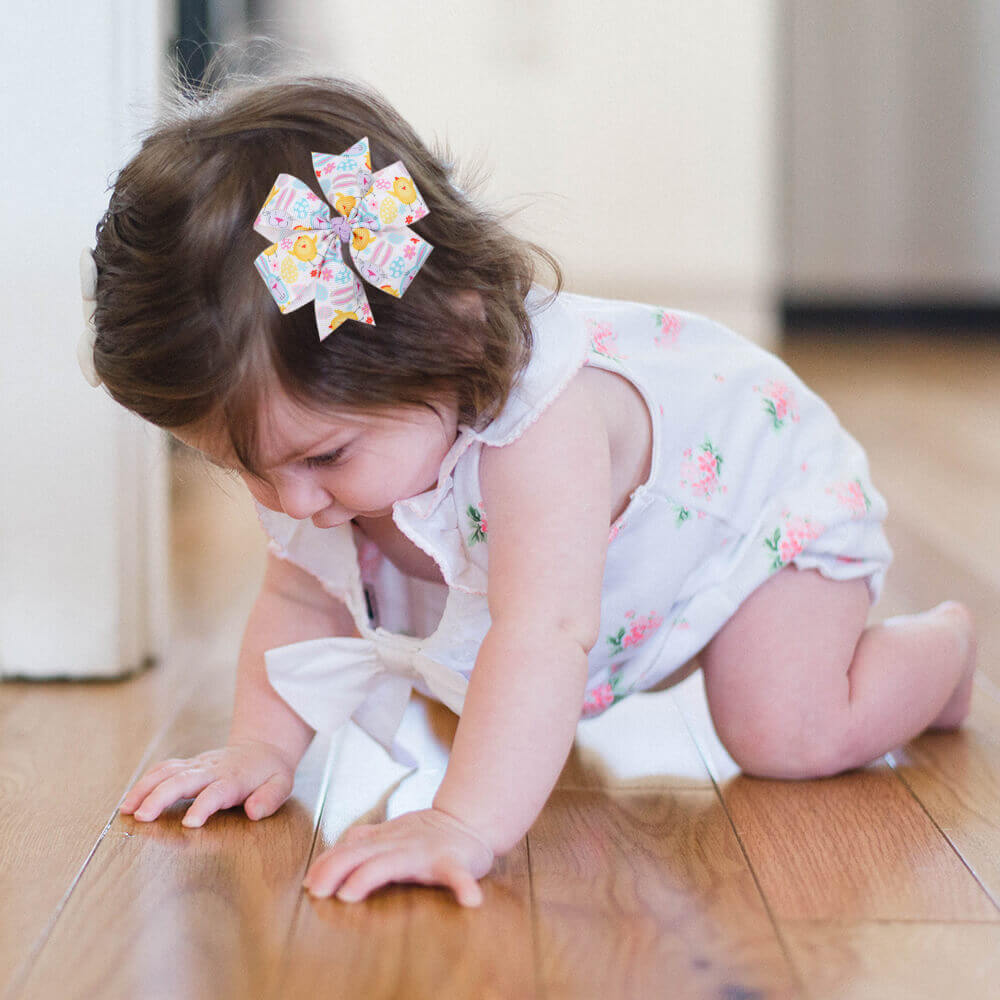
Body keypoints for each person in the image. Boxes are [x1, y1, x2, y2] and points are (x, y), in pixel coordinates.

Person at [85, 75, 976, 908]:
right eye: (244, 468)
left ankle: (940, 658)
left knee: (786, 733)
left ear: (453, 335)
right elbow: (301, 597)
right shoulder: (322, 449)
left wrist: (462, 821)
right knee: (451, 661)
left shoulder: (542, 432)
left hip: (753, 514)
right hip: (632, 561)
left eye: (323, 459)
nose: (288, 500)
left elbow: (545, 629)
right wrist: (260, 748)